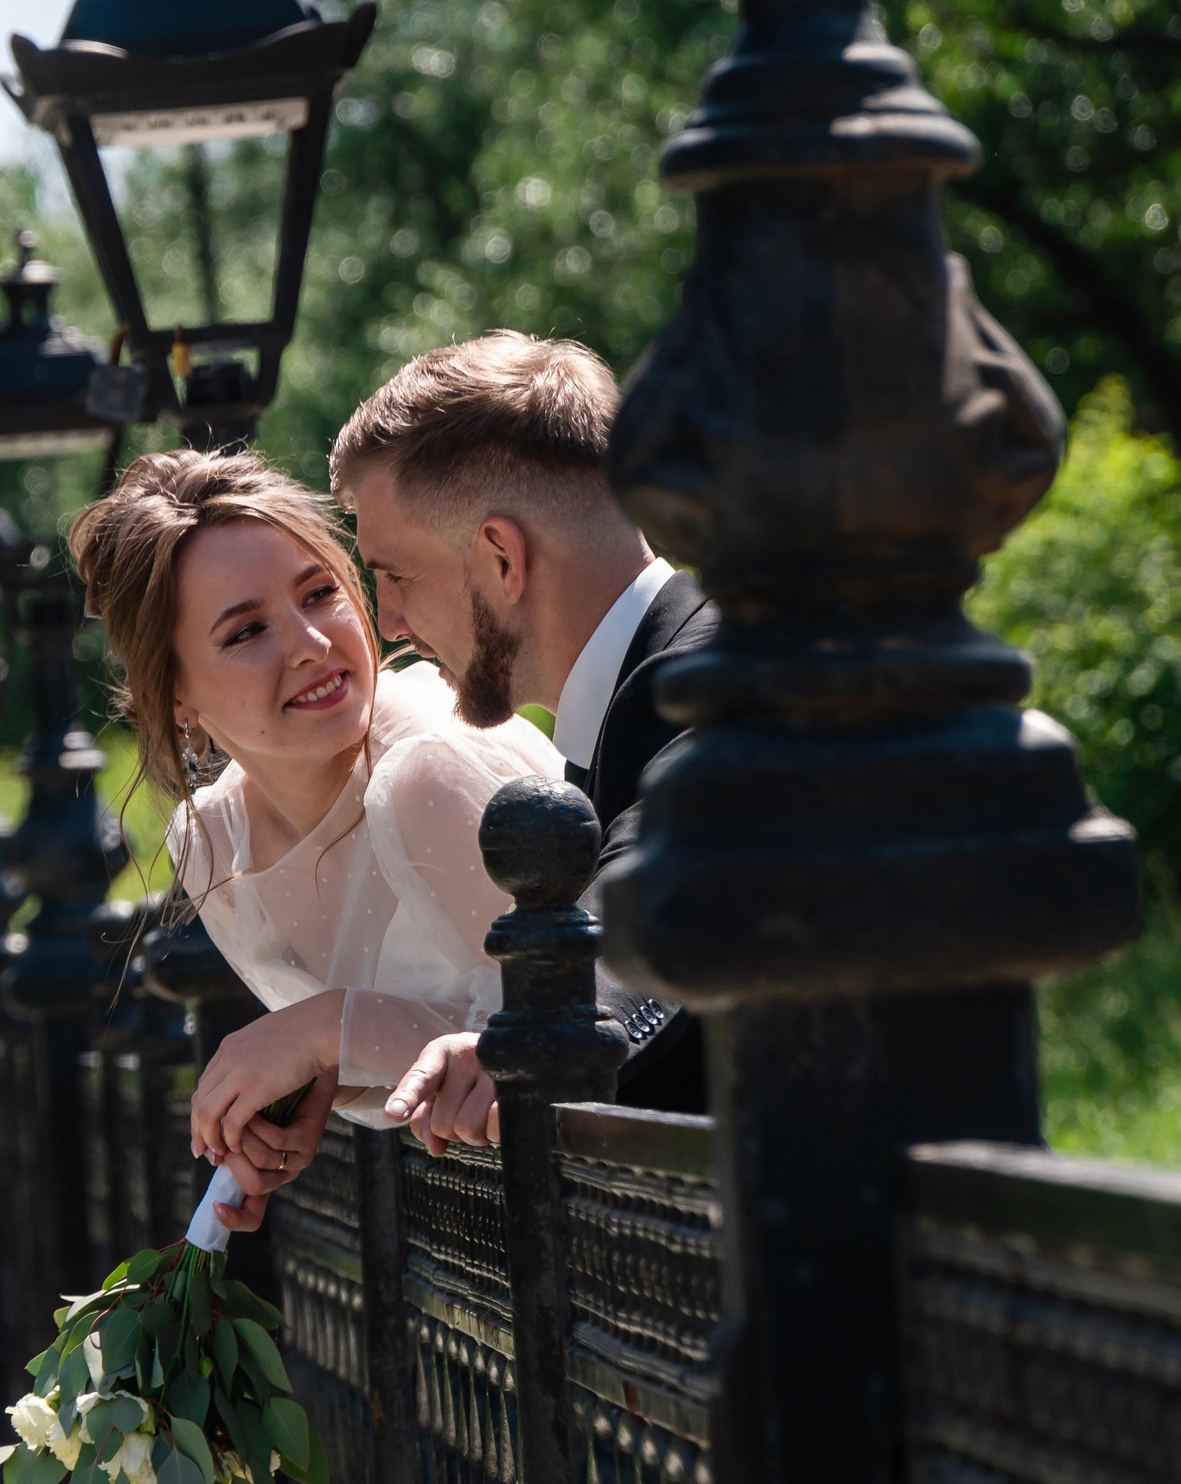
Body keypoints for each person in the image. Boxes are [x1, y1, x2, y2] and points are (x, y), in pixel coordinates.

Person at [71, 447, 564, 1232]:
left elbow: (572, 1038)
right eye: (246, 632)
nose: (310, 641)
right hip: (475, 1250)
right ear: (176, 695)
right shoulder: (212, 844)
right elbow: (432, 1034)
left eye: (320, 592)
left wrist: (318, 1029)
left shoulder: (427, 771)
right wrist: (315, 1087)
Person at [329, 331, 719, 1135]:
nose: (388, 624)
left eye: (396, 575)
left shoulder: (715, 694)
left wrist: (540, 1041)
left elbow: (663, 896)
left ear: (503, 558)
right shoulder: (636, 706)